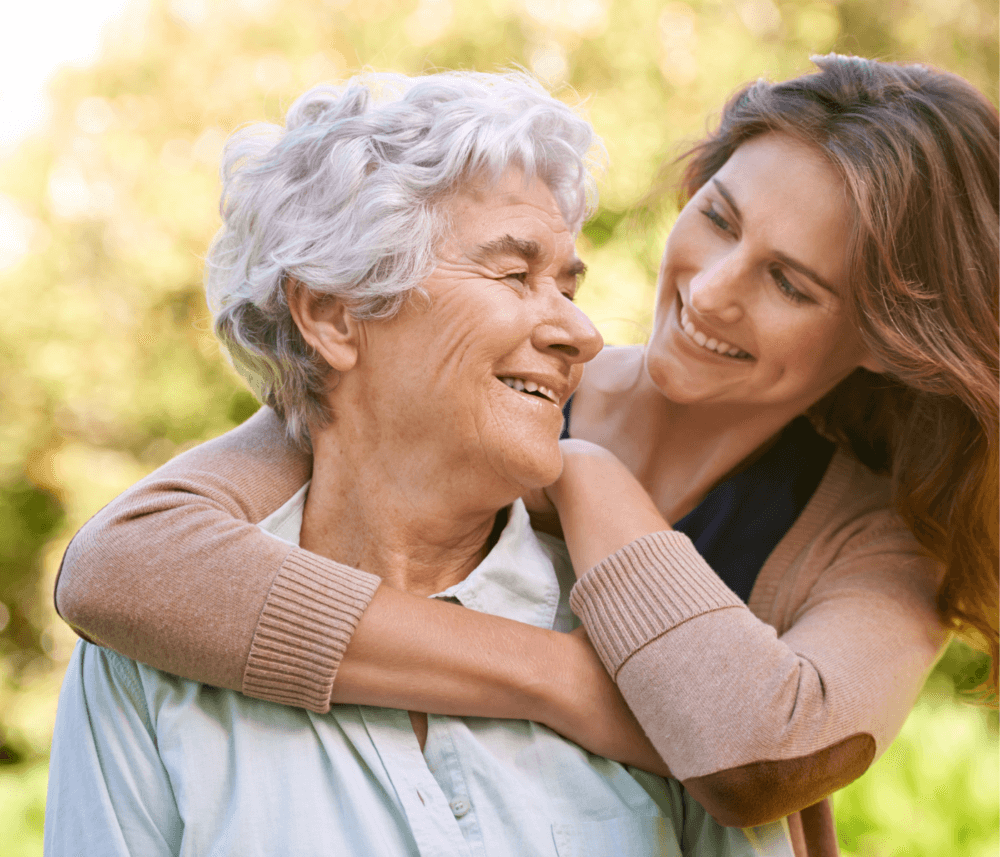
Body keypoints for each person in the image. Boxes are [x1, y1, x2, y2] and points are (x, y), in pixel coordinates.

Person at [53, 55, 999, 857]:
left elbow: (760, 755)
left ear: (884, 334)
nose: (710, 293)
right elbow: (124, 563)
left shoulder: (874, 536)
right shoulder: (489, 388)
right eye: (718, 217)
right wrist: (562, 680)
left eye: (790, 281)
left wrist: (584, 473)